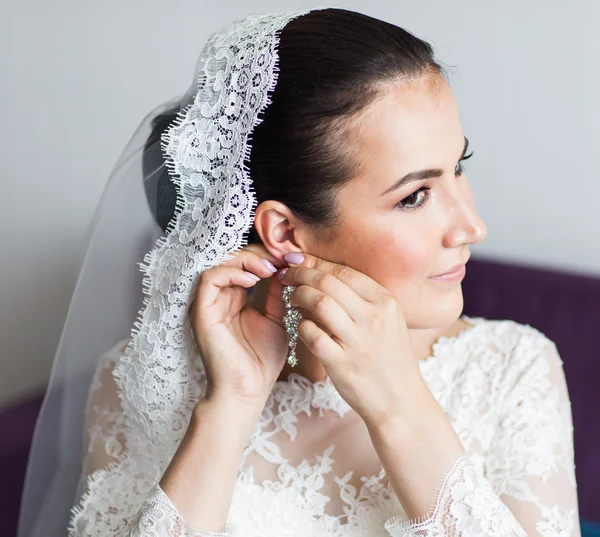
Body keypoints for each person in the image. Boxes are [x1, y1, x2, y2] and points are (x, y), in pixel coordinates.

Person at [17, 7, 581, 537]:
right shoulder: (138, 385)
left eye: (459, 167)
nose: (470, 226)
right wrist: (229, 406)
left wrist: (399, 404)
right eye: (416, 196)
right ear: (284, 232)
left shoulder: (511, 371)